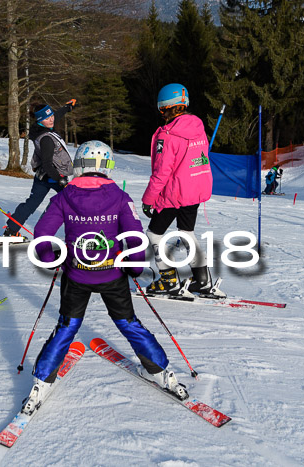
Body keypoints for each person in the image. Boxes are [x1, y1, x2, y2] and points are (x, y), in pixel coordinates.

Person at [23, 140, 189, 414]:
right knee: (129, 324)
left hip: (77, 274)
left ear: (79, 166)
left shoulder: (63, 197)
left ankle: (41, 381)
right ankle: (160, 371)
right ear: (108, 167)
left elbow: (41, 235)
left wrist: (54, 259)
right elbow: (135, 240)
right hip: (112, 275)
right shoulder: (121, 197)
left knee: (66, 327)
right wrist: (134, 269)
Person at [141, 83, 223, 298]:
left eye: (162, 109)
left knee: (154, 234)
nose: (161, 114)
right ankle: (202, 279)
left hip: (174, 193)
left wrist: (149, 199)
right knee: (186, 233)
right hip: (195, 190)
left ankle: (168, 279)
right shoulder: (197, 128)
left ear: (166, 107)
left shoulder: (168, 135)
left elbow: (161, 173)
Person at [2, 99, 76, 237]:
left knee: (32, 203)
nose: (52, 120)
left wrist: (67, 107)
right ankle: (80, 231)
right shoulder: (46, 138)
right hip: (53, 175)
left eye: (51, 115)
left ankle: (11, 230)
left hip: (42, 176)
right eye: (48, 118)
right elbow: (48, 164)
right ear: (41, 121)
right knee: (73, 202)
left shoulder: (42, 127)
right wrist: (60, 180)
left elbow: (55, 116)